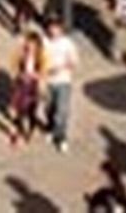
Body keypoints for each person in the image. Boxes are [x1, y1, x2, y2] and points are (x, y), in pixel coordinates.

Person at [40, 16, 79, 152]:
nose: (53, 31)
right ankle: (50, 127)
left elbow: (73, 62)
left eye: (56, 29)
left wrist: (61, 67)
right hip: (48, 82)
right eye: (51, 28)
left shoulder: (67, 43)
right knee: (49, 108)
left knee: (62, 111)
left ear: (61, 30)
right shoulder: (43, 42)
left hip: (63, 81)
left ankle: (62, 137)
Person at [8, 28, 44, 147]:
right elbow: (13, 67)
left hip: (33, 86)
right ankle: (17, 133)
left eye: (33, 44)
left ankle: (29, 131)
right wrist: (19, 74)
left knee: (31, 111)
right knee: (19, 110)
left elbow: (44, 71)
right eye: (28, 43)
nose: (30, 46)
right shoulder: (20, 54)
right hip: (21, 85)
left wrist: (35, 76)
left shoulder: (40, 56)